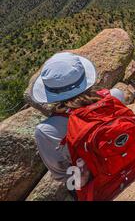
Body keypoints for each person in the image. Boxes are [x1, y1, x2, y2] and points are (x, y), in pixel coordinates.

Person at [32, 52, 126, 184]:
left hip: (100, 185)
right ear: (84, 78)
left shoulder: (47, 131)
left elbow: (63, 176)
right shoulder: (115, 97)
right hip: (134, 159)